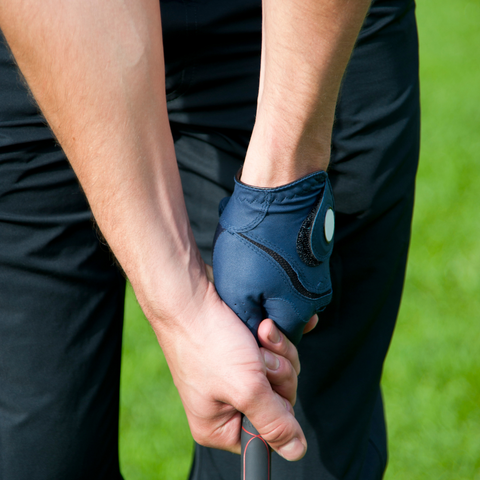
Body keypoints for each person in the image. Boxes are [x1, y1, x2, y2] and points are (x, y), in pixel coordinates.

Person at [0, 0, 419, 478]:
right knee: (35, 458)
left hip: (299, 38)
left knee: (291, 449)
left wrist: (280, 195)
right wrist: (178, 305)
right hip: (49, 42)